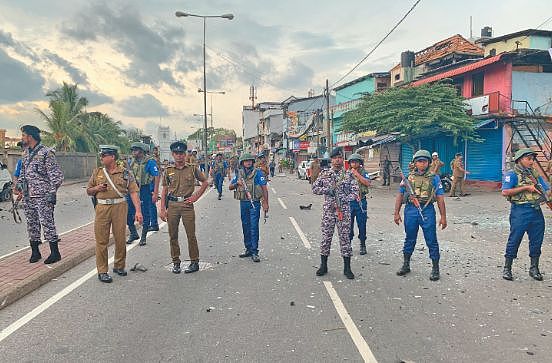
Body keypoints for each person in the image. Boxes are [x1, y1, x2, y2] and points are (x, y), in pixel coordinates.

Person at [87, 145, 143, 283]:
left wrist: (138, 211)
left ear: (112, 157)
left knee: (120, 238)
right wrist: (97, 188)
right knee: (101, 240)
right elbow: (88, 191)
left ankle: (119, 265)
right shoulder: (97, 173)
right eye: (101, 155)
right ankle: (102, 270)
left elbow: (133, 192)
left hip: (119, 207)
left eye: (104, 155)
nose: (101, 158)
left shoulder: (125, 173)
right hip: (102, 208)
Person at [394, 150, 447, 281]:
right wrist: (396, 213)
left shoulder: (434, 178)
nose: (421, 164)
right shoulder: (407, 178)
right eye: (419, 161)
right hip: (411, 210)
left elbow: (440, 198)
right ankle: (406, 264)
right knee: (409, 238)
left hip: (427, 209)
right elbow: (400, 195)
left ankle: (435, 268)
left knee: (431, 239)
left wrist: (443, 216)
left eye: (424, 161)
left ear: (429, 163)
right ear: (415, 163)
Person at [15, 125, 64, 264]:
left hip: (43, 196)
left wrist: (52, 193)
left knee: (47, 223)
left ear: (30, 137)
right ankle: (35, 252)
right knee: (32, 224)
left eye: (23, 136)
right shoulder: (25, 154)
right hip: (28, 196)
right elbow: (23, 174)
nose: (22, 138)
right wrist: (19, 186)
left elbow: (57, 176)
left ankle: (55, 253)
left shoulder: (46, 153)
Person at [501, 148, 550, 281]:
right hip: (520, 211)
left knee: (536, 240)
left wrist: (546, 196)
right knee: (514, 239)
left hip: (536, 211)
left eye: (532, 159)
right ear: (520, 159)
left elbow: (546, 189)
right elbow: (505, 192)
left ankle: (534, 268)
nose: (531, 161)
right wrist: (526, 188)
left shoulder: (534, 174)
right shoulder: (511, 174)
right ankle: (507, 268)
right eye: (529, 159)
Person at [160, 141, 208, 274]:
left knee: (191, 235)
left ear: (185, 154)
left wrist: (195, 197)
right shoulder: (168, 170)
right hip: (173, 205)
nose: (179, 156)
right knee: (173, 235)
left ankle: (194, 261)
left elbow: (205, 182)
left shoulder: (192, 168)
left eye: (181, 153)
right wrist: (162, 209)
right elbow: (164, 190)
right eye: (176, 153)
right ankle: (176, 262)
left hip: (187, 205)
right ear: (173, 154)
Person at [312, 147, 359, 279]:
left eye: (339, 158)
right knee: (326, 238)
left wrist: (344, 198)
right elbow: (315, 188)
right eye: (335, 158)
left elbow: (355, 193)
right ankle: (323, 265)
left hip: (343, 211)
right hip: (329, 211)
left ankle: (347, 268)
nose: (337, 160)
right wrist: (327, 190)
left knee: (345, 239)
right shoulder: (325, 174)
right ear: (331, 160)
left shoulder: (349, 175)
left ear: (342, 159)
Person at [229, 153, 269, 263]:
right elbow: (230, 187)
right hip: (243, 203)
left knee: (254, 227)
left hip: (254, 203)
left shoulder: (258, 173)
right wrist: (237, 183)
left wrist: (265, 203)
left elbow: (264, 188)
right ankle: (248, 249)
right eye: (246, 161)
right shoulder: (240, 174)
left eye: (250, 161)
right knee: (245, 226)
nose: (248, 162)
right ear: (242, 163)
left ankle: (255, 251)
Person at [126, 142, 159, 246]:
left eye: (135, 150)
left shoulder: (150, 162)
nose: (133, 152)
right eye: (133, 150)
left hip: (145, 189)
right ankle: (133, 233)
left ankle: (143, 236)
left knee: (145, 213)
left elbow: (157, 176)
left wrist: (155, 193)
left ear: (141, 151)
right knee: (127, 211)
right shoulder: (131, 161)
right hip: (132, 189)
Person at [347, 153, 371, 255]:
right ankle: (348, 244)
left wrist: (357, 174)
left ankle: (362, 244)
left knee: (362, 224)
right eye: (352, 162)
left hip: (361, 202)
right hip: (349, 202)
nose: (354, 163)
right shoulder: (347, 173)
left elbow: (368, 183)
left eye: (356, 161)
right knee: (348, 225)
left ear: (360, 163)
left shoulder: (364, 172)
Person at [149, 146, 162, 232]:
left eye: (156, 150)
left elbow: (157, 173)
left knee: (151, 204)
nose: (155, 152)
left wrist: (156, 190)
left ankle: (154, 224)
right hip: (150, 182)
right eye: (154, 150)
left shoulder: (153, 159)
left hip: (151, 182)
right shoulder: (154, 158)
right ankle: (152, 223)